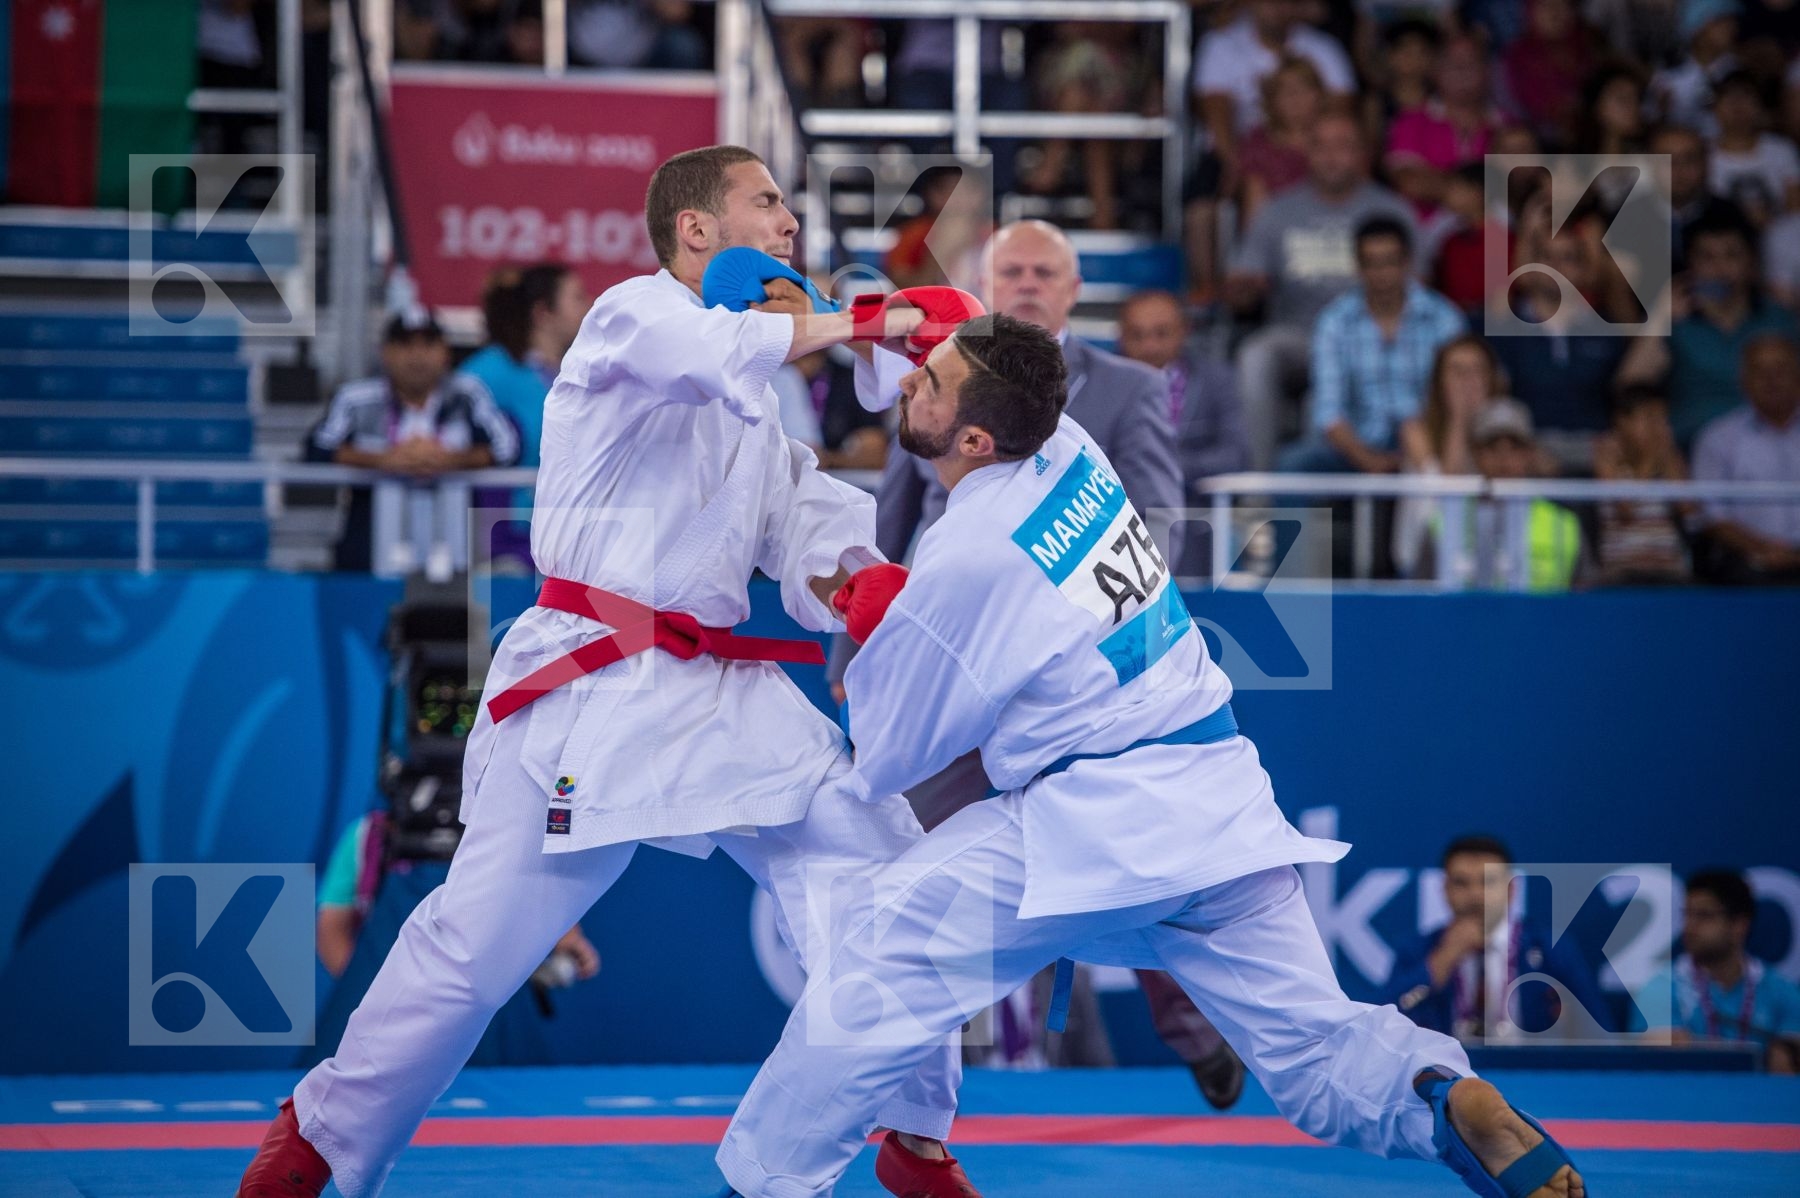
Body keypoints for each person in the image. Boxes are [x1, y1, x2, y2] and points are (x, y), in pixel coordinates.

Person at [238, 145, 985, 1198]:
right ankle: (315, 1143)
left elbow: (803, 527)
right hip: (591, 682)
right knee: (472, 951)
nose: (789, 223)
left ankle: (913, 1135)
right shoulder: (633, 319)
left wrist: (862, 584)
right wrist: (876, 322)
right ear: (694, 229)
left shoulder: (763, 407)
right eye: (766, 202)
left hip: (720, 692)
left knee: (881, 861)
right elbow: (715, 351)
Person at [715, 314, 1585, 1198]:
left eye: (928, 379)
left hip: (1093, 824)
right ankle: (1437, 1095)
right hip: (1218, 803)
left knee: (875, 959)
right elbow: (997, 386)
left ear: (975, 437)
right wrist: (934, 340)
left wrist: (881, 624)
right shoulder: (1072, 448)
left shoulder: (966, 556)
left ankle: (762, 1184)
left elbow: (891, 749)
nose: (908, 383)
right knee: (1316, 1048)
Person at [1227, 113, 1416, 469]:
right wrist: (1243, 289)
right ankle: (1262, 487)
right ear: (1307, 151)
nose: (1332, 157)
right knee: (1256, 355)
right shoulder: (1277, 211)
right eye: (1321, 147)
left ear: (1362, 153)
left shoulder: (1391, 210)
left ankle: (1326, 498)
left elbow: (1417, 290)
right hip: (1301, 335)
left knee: (1320, 402)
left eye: (1343, 147)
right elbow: (1243, 285)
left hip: (1372, 337)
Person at [306, 312, 521, 576]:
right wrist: (383, 460)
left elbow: (508, 448)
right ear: (385, 352)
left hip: (454, 554)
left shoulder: (467, 395)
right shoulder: (357, 399)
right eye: (405, 345)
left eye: (428, 345)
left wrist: (450, 460)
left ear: (445, 352)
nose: (417, 356)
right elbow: (316, 448)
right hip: (372, 553)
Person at [1279, 215, 1465, 475]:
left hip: (1431, 447)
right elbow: (1329, 411)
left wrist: (1423, 449)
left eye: (1390, 262)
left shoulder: (1443, 318)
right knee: (1292, 466)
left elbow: (1459, 397)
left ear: (1407, 263)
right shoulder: (1335, 322)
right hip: (1355, 449)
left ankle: (1441, 516)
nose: (1382, 274)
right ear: (1357, 266)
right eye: (1371, 264)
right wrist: (1365, 458)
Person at [1385, 836, 1613, 1044]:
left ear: (1511, 888)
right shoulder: (1418, 950)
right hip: (1447, 1077)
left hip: (1534, 1076)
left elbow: (1598, 1033)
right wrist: (1443, 959)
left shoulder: (1550, 949)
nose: (1475, 894)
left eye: (1488, 881)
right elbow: (1381, 1024)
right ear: (1445, 890)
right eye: (1461, 883)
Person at [1116, 289, 1250, 579]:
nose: (1149, 346)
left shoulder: (1218, 380)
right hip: (1120, 522)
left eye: (1161, 333)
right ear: (1121, 336)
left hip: (1196, 517)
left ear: (1185, 331)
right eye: (1137, 335)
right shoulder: (1104, 386)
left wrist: (1159, 469)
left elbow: (1235, 456)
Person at [1643, 869, 1800, 1072]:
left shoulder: (1781, 990)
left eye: (1704, 916)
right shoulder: (1660, 987)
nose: (1689, 927)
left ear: (1739, 925)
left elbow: (1790, 1060)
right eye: (1687, 915)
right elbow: (1663, 1055)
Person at [1394, 334, 1507, 579]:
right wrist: (1459, 418)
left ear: (1491, 379)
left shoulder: (1507, 435)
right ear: (1439, 381)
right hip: (1422, 563)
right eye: (1458, 372)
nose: (1468, 382)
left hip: (1487, 563)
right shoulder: (1416, 430)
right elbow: (1447, 490)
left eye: (1477, 371)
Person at [1690, 332, 1800, 582]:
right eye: (1759, 371)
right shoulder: (1718, 437)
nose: (1771, 380)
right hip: (1748, 559)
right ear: (1743, 380)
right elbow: (1712, 514)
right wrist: (1762, 549)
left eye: (1780, 369)